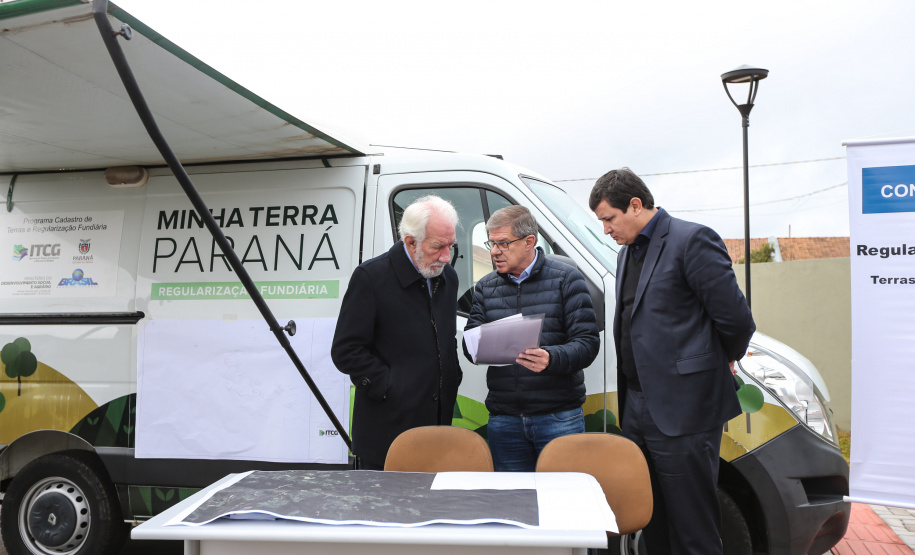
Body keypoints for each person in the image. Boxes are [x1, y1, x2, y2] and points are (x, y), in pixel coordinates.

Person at [590, 168, 755, 555]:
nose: (606, 230)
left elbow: (736, 321)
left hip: (685, 407)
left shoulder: (692, 240)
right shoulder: (626, 253)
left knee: (692, 526)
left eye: (609, 219)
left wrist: (720, 359)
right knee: (653, 522)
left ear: (635, 205)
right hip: (637, 407)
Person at [464, 205, 600, 472]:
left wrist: (551, 358)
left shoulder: (566, 279)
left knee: (562, 494)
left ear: (529, 242)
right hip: (505, 420)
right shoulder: (486, 287)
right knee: (513, 496)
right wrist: (482, 345)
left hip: (559, 417)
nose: (494, 252)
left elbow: (587, 342)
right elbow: (470, 345)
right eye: (491, 243)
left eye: (503, 243)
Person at [331, 195, 462, 470]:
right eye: (438, 246)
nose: (446, 257)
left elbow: (446, 337)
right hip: (386, 432)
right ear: (411, 242)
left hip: (438, 427)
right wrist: (390, 385)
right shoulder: (371, 277)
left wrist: (453, 374)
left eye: (451, 245)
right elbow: (346, 350)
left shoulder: (448, 277)